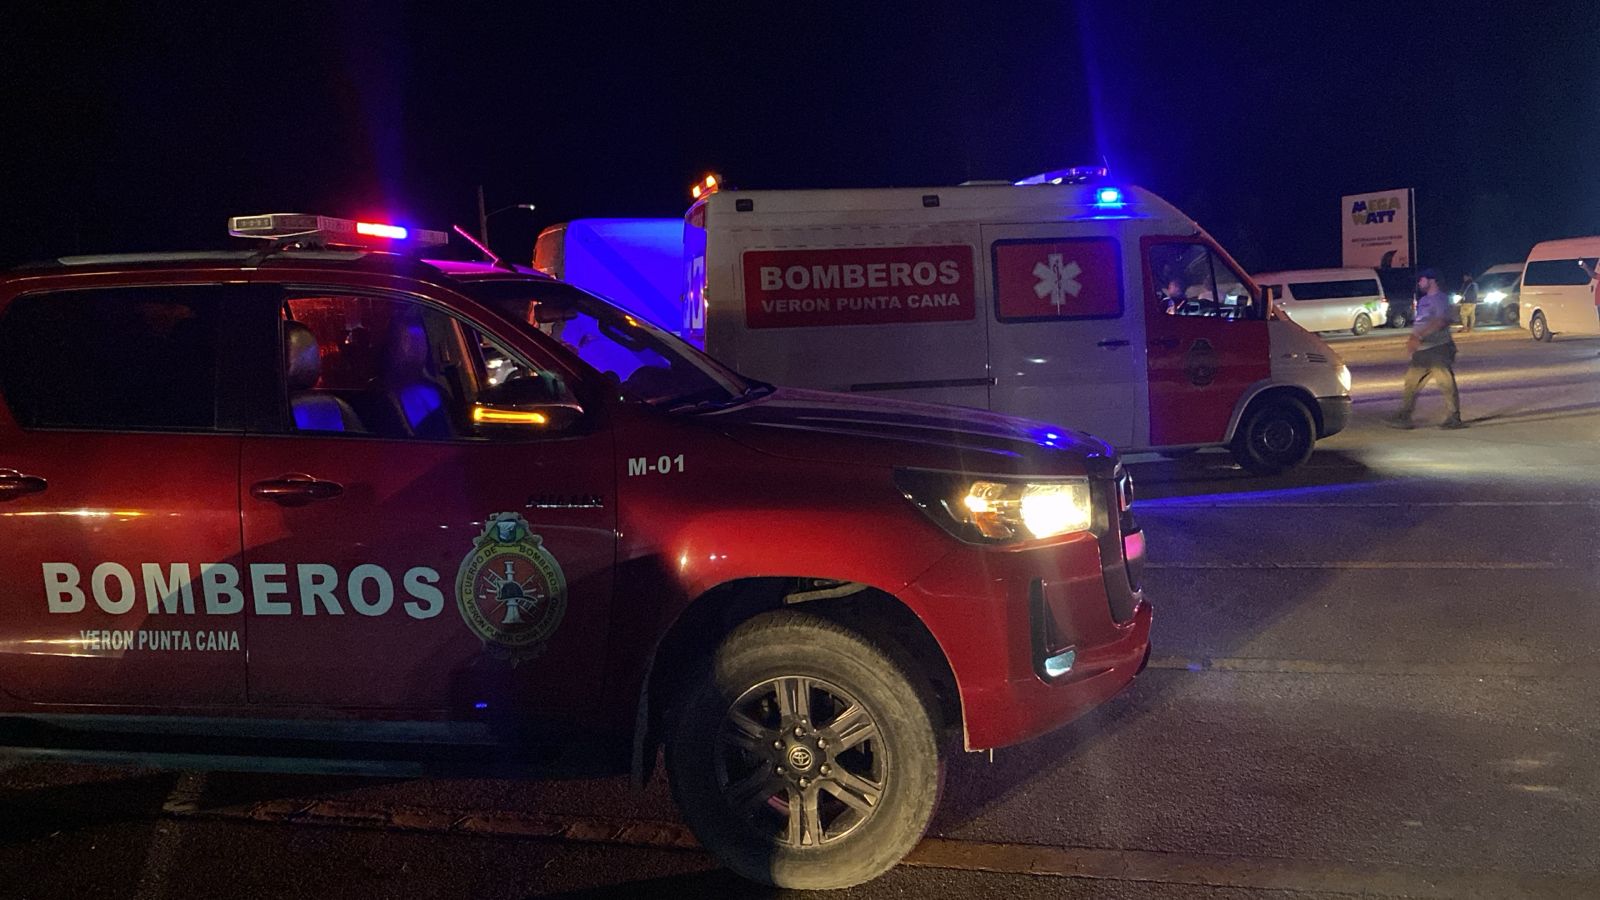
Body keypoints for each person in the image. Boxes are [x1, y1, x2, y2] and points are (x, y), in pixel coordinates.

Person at [1387, 268, 1464, 429]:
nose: (1419, 282)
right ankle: (1404, 416)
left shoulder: (1441, 299)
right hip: (1422, 350)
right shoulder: (1423, 300)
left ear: (1432, 280)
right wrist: (1413, 339)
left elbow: (1441, 321)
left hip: (1438, 348)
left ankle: (1454, 417)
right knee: (1411, 383)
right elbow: (1420, 323)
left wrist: (1419, 336)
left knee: (1445, 383)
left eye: (1421, 279)